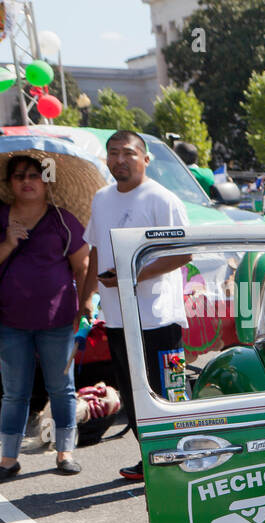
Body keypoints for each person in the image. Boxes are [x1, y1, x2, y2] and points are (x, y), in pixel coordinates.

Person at [83, 130, 190, 481]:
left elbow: (183, 254)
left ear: (145, 159)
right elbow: (95, 251)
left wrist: (133, 275)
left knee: (167, 391)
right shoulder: (101, 199)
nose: (119, 160)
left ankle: (182, 457)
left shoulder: (162, 199)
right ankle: (151, 458)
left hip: (160, 317)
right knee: (132, 392)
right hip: (117, 318)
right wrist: (86, 298)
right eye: (112, 153)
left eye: (127, 153)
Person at [0, 155, 91, 478]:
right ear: (9, 183)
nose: (27, 181)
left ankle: (65, 452)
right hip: (9, 321)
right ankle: (8, 459)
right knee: (14, 392)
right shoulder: (1, 217)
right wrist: (9, 243)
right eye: (19, 176)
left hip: (58, 321)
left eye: (34, 176)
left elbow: (83, 265)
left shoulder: (62, 221)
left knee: (62, 388)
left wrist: (84, 307)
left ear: (46, 181)